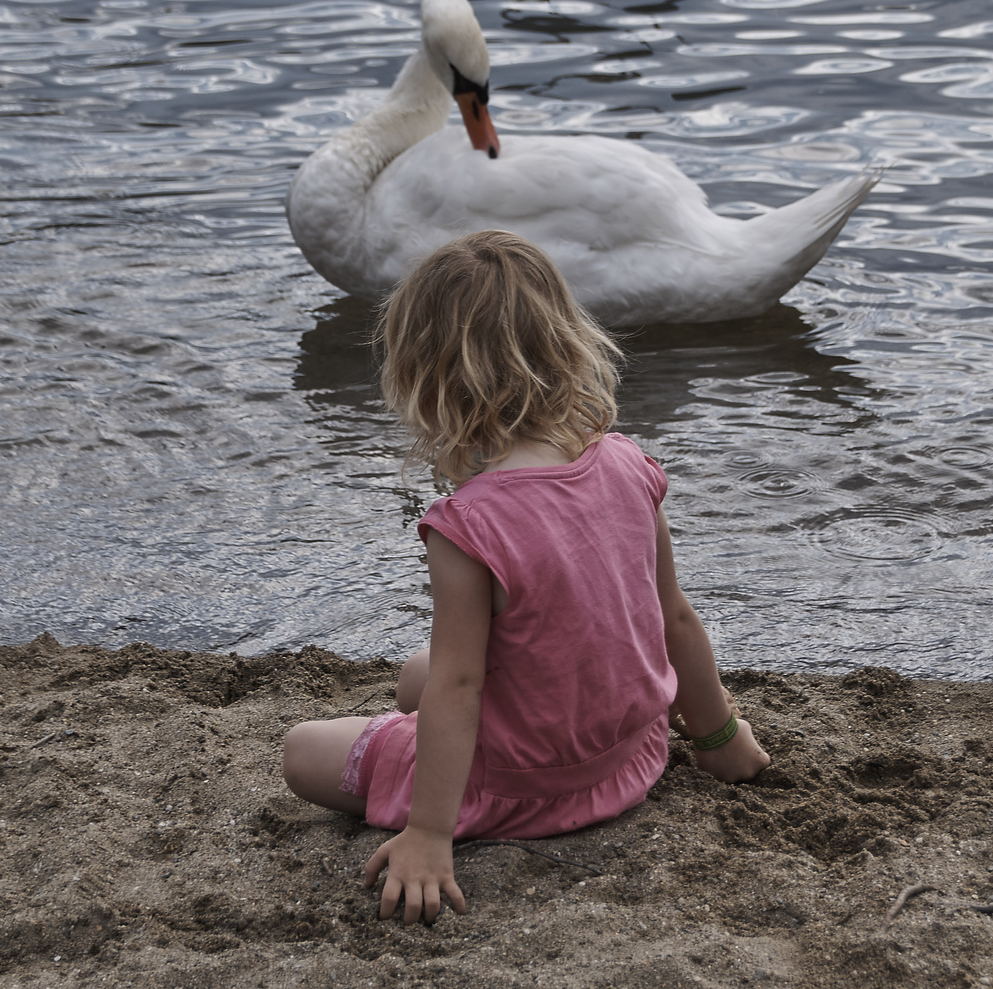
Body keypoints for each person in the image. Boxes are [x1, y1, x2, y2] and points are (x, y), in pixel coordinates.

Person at [280, 230, 770, 926]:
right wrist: (719, 738)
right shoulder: (629, 464)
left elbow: (461, 685)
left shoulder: (467, 525)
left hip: (519, 789)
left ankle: (432, 793)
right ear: (567, 341)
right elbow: (675, 617)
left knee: (306, 749)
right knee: (417, 675)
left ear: (425, 375)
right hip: (634, 755)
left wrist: (428, 834)